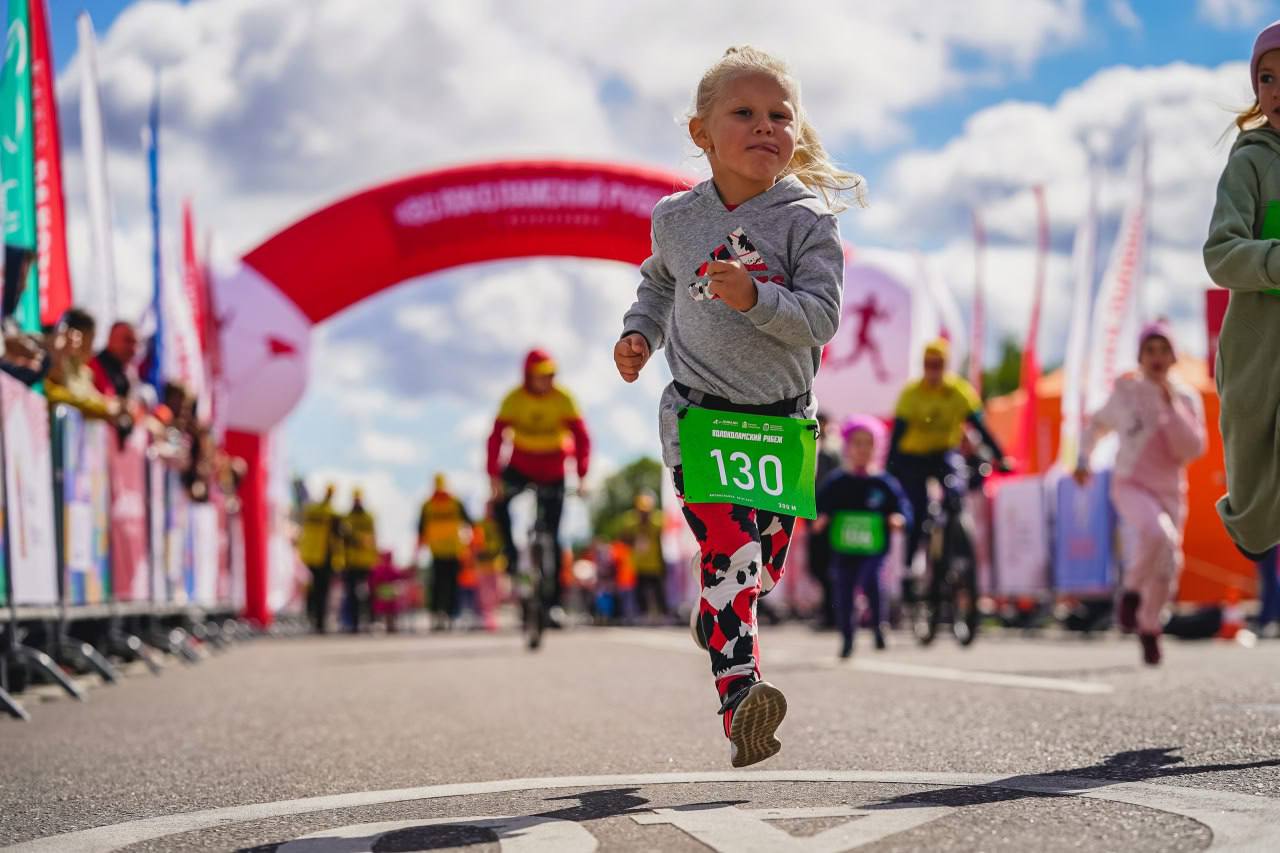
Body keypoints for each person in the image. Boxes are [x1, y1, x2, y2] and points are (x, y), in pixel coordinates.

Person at [614, 45, 861, 767]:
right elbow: (659, 284)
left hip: (784, 423)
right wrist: (639, 331)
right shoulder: (675, 218)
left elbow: (820, 318)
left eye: (780, 115)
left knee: (761, 568)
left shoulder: (807, 220)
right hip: (700, 417)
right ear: (701, 134)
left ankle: (717, 611)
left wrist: (754, 297)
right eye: (744, 113)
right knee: (733, 556)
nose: (765, 127)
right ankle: (741, 699)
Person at [1075, 321, 1206, 666]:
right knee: (1154, 532)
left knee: (1167, 567)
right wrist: (1083, 458)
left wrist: (1170, 406)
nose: (1157, 357)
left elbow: (1192, 449)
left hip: (1170, 491)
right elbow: (1097, 425)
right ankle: (1131, 592)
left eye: (1164, 350)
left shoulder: (1187, 398)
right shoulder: (1127, 392)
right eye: (1151, 350)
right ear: (1140, 356)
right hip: (1130, 485)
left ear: (1174, 356)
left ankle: (1149, 626)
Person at [1203, 19, 1280, 563]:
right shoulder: (1250, 161)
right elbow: (1220, 252)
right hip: (1257, 354)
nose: (1276, 91)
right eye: (1268, 78)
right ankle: (1248, 524)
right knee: (1256, 507)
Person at [886, 338, 1010, 603]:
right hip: (913, 457)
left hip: (944, 453)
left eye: (939, 365)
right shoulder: (911, 393)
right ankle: (910, 570)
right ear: (923, 366)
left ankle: (955, 543)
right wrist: (891, 468)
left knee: (956, 492)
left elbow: (981, 428)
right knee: (916, 512)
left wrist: (1002, 457)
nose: (934, 371)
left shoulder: (959, 391)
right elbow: (896, 436)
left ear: (946, 366)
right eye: (929, 365)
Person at [487, 349, 590, 614]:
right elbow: (496, 438)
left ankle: (554, 604)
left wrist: (581, 476)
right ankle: (510, 554)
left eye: (550, 375)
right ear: (528, 376)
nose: (547, 381)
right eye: (540, 376)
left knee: (553, 537)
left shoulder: (563, 398)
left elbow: (581, 438)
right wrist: (494, 479)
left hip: (554, 468)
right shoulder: (514, 399)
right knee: (498, 504)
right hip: (521, 465)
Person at [813, 416, 911, 659]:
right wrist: (820, 518)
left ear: (877, 447)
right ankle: (847, 637)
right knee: (844, 590)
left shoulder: (883, 482)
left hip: (874, 549)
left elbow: (902, 507)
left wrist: (898, 518)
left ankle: (879, 627)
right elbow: (819, 505)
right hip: (844, 548)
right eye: (857, 443)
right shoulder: (837, 482)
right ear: (847, 446)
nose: (862, 449)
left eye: (869, 443)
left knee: (873, 583)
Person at [45, 308, 121, 423]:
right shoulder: (54, 362)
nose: (91, 347)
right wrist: (104, 409)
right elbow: (54, 395)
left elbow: (93, 399)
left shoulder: (85, 373)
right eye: (90, 339)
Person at [418, 474, 471, 630]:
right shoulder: (427, 505)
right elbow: (420, 529)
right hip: (436, 552)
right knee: (436, 586)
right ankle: (437, 616)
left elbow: (469, 522)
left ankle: (452, 615)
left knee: (452, 585)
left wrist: (472, 547)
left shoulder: (456, 503)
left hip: (454, 551)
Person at [297, 484, 345, 634]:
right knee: (322, 592)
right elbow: (339, 537)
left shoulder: (311, 510)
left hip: (310, 556)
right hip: (323, 558)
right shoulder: (332, 513)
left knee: (313, 591)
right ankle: (319, 622)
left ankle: (312, 620)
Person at [808, 411, 841, 629]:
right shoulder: (810, 449)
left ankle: (832, 614)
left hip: (828, 517)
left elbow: (834, 487)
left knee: (829, 567)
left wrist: (827, 514)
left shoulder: (831, 454)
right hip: (813, 514)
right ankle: (829, 612)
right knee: (816, 566)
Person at [619, 491, 668, 622]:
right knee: (640, 592)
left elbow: (665, 539)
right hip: (639, 563)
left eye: (646, 511)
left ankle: (663, 614)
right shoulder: (630, 521)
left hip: (656, 563)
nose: (644, 514)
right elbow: (623, 539)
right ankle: (643, 614)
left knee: (659, 591)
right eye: (641, 511)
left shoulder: (658, 520)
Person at [343, 489, 378, 633]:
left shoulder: (369, 517)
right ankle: (354, 624)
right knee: (351, 594)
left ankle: (370, 621)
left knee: (368, 594)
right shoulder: (347, 518)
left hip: (366, 562)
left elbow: (372, 538)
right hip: (351, 562)